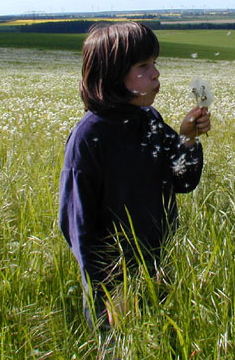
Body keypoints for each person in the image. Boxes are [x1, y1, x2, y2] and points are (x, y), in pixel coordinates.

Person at [58, 21, 211, 330]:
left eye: (154, 63)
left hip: (159, 265)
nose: (156, 74)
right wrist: (108, 291)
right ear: (112, 75)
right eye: (143, 66)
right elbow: (76, 225)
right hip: (114, 282)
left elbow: (182, 181)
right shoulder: (90, 136)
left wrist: (187, 139)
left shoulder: (148, 119)